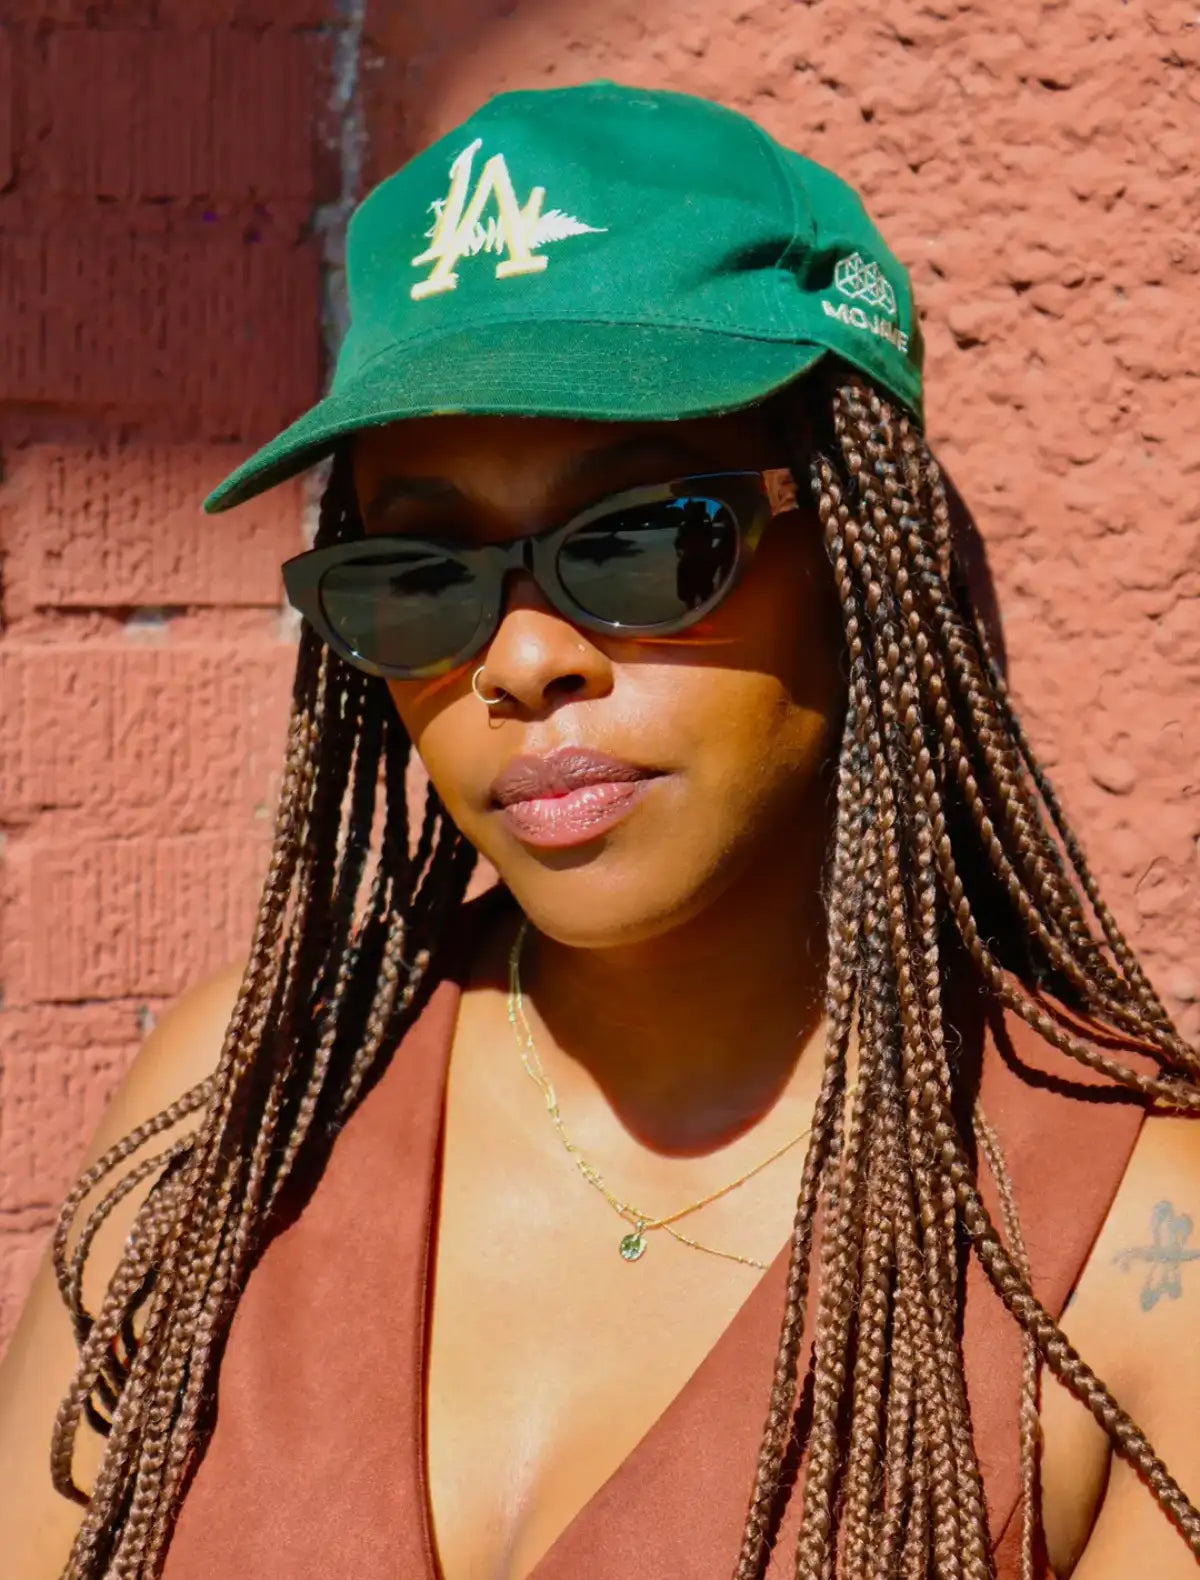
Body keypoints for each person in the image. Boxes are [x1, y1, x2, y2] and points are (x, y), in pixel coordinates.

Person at [2, 79, 1199, 1580]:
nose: (518, 661)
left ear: (858, 568)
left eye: (641, 542)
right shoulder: (244, 1103)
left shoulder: (1141, 1268)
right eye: (419, 573)